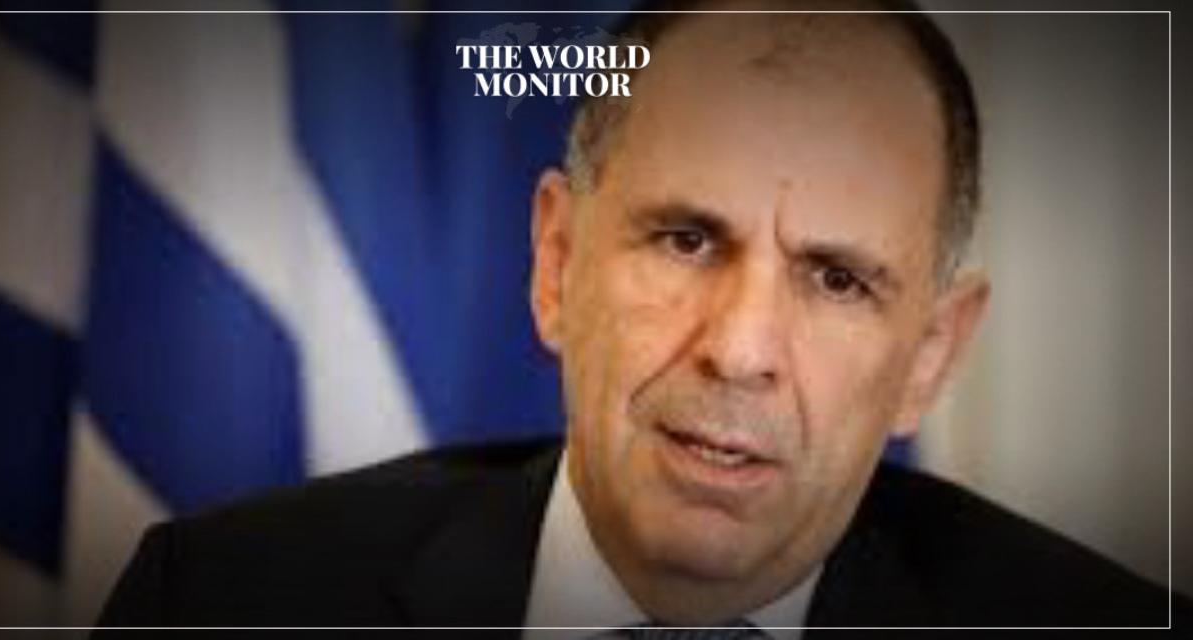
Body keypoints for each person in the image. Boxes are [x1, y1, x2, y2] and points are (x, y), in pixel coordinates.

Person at [95, 1, 1185, 632]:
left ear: (928, 357)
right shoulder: (220, 603)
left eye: (836, 280)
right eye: (685, 240)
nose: (740, 350)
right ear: (556, 261)